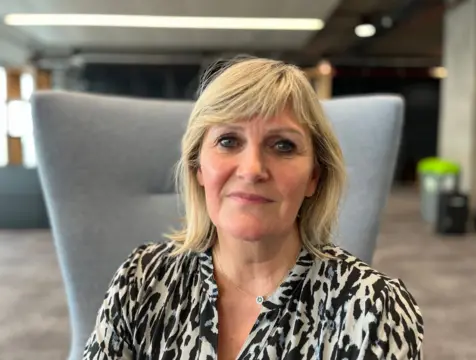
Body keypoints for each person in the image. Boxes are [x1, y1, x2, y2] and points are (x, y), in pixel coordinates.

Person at [83, 57, 424, 360]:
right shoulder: (142, 278)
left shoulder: (372, 309)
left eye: (283, 145)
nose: (252, 169)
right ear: (198, 168)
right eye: (228, 141)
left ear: (313, 178)